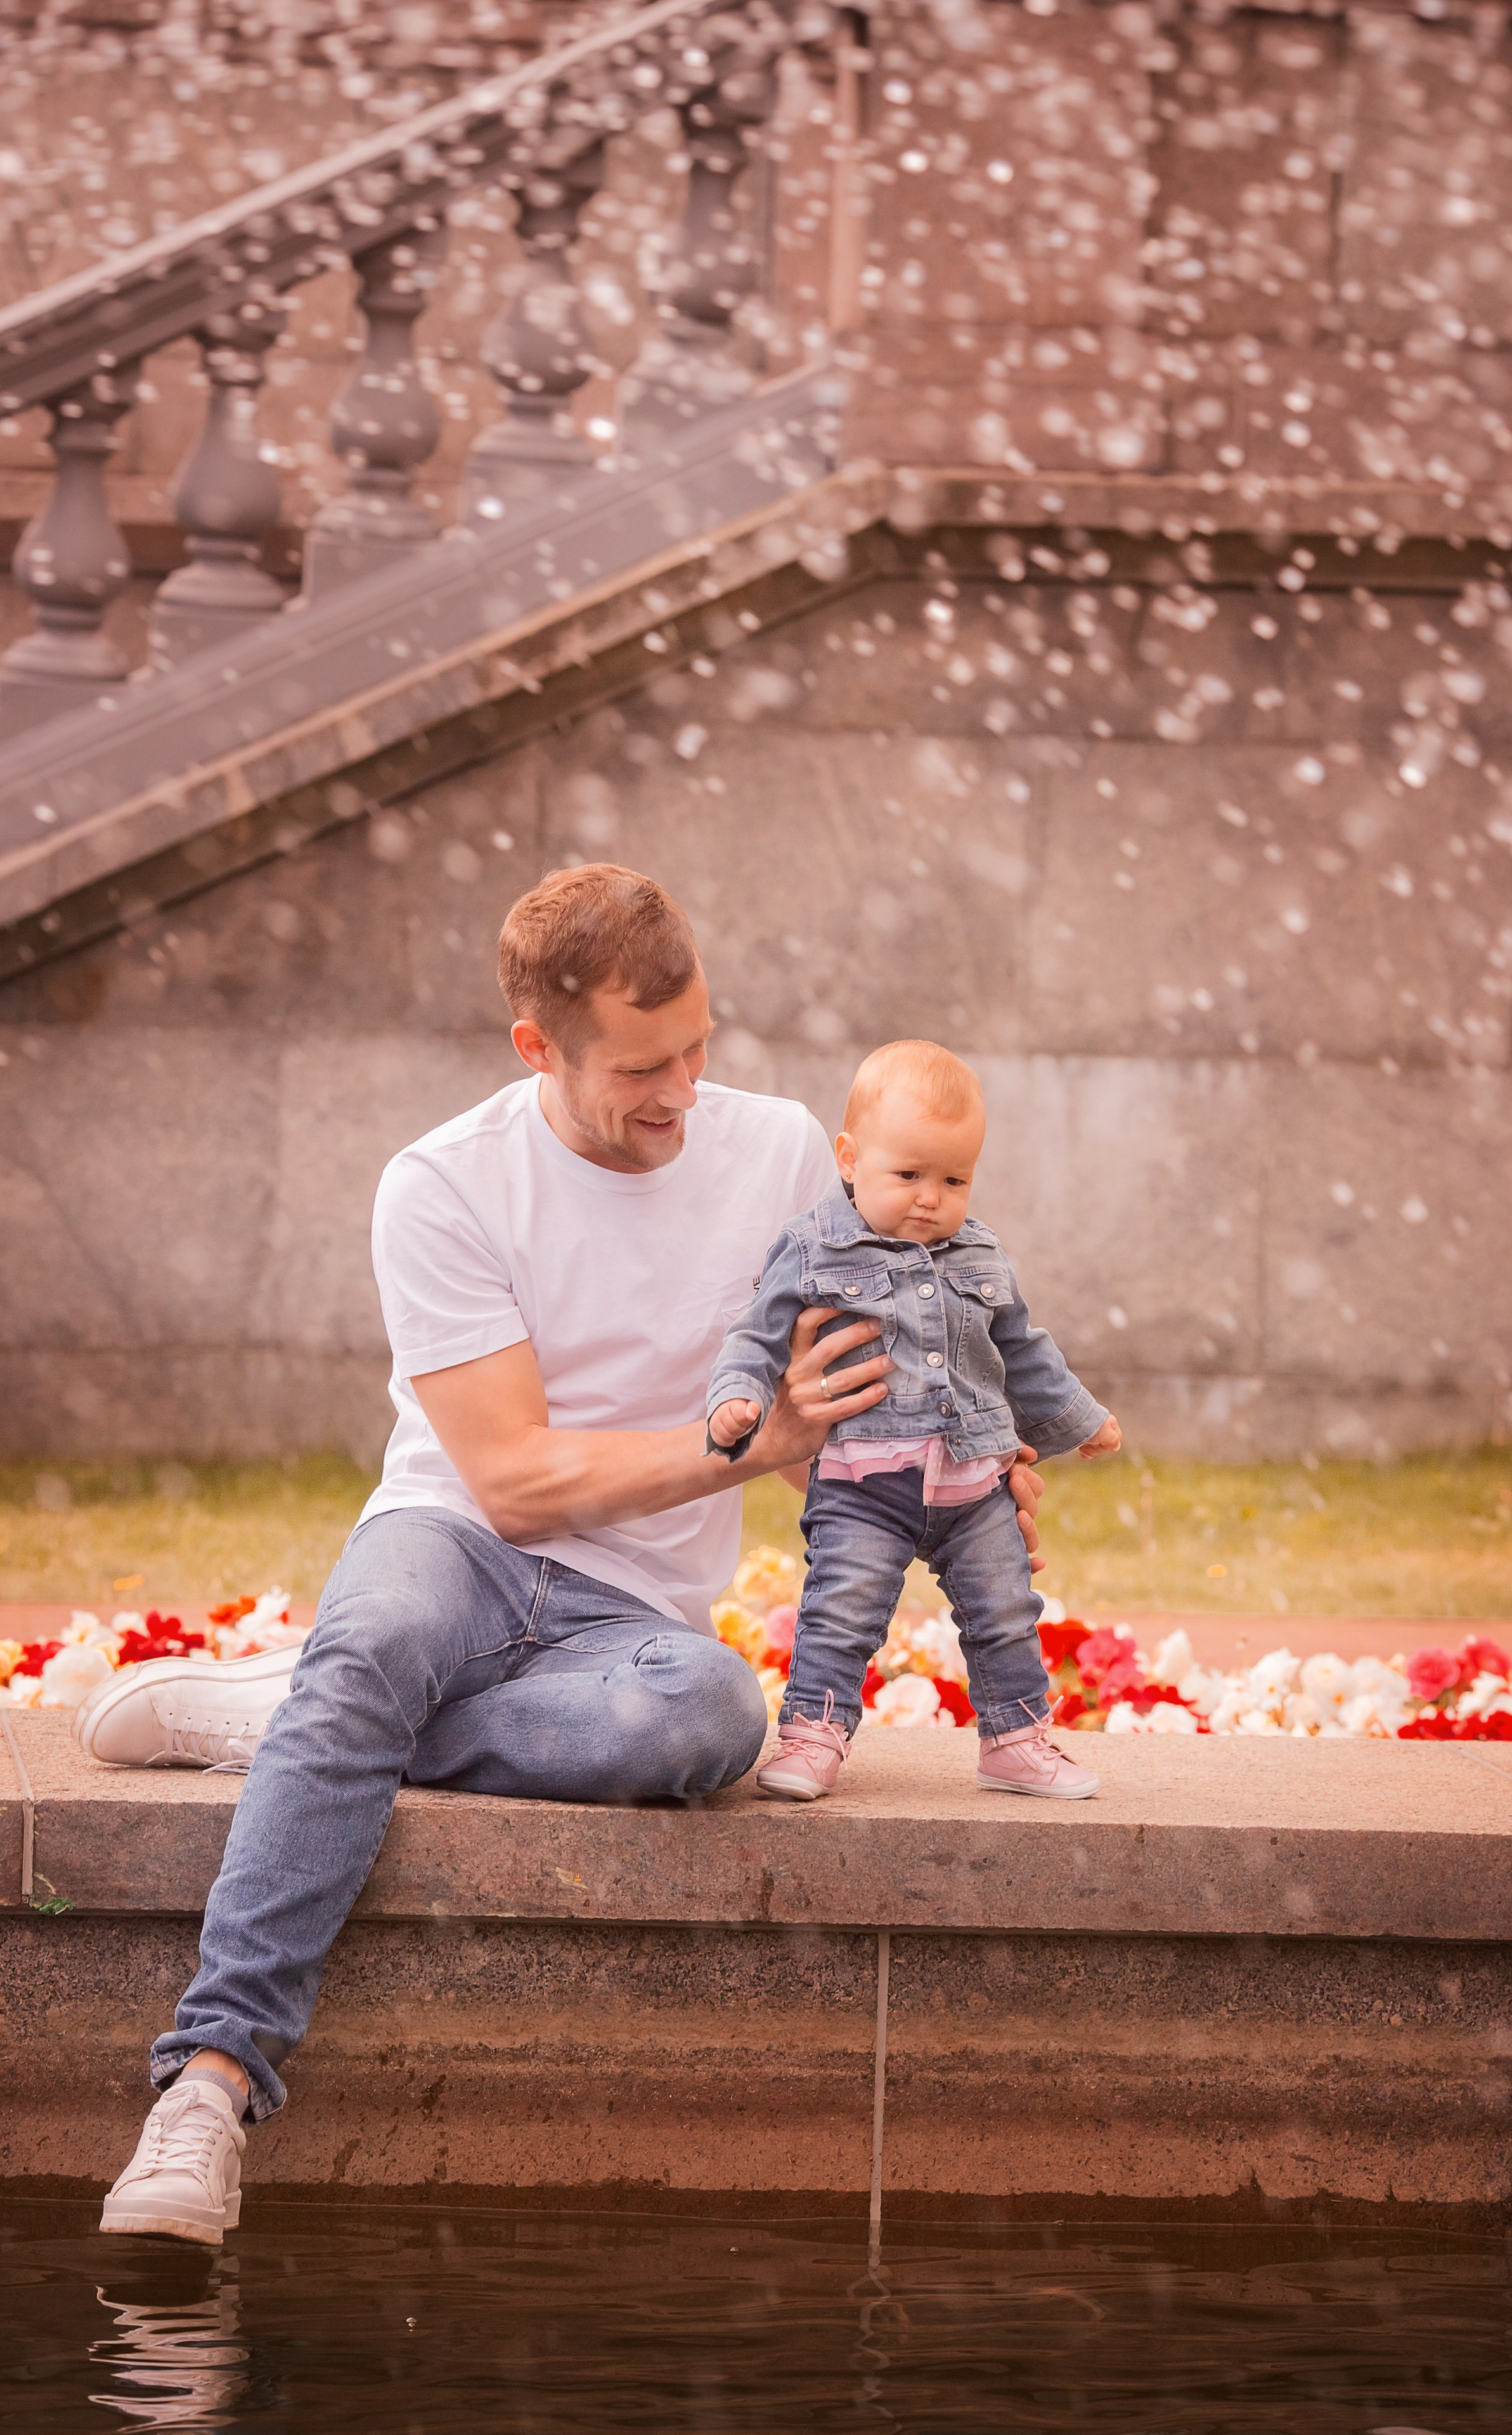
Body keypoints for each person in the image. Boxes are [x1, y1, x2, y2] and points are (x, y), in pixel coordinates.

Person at [81, 866, 1047, 2246]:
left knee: (706, 1715)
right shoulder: (442, 1186)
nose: (680, 1092)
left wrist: (968, 1457)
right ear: (536, 1045)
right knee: (384, 1634)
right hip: (454, 1542)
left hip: (630, 1622)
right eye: (642, 1067)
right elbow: (516, 1481)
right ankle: (206, 2090)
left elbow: (877, 1370)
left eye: (698, 1049)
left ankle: (312, 1720)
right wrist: (746, 1444)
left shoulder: (778, 1154)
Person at [706, 1037, 1120, 1804]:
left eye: (953, 1178)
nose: (930, 1197)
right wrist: (738, 1395)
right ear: (849, 1158)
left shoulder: (981, 1256)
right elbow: (756, 1336)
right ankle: (812, 1738)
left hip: (973, 1480)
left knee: (1005, 1613)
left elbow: (1022, 1351)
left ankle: (1016, 1739)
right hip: (864, 1481)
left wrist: (1079, 1418)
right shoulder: (812, 1249)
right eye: (907, 1175)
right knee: (841, 1611)